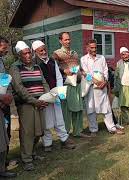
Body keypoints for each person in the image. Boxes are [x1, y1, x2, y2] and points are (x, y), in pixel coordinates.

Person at [10, 41, 49, 171]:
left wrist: (47, 96)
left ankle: (32, 153)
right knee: (28, 132)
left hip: (40, 103)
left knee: (39, 130)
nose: (28, 55)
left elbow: (44, 82)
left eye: (29, 53)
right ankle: (26, 159)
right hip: (26, 105)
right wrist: (33, 101)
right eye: (25, 53)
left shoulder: (36, 66)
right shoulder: (15, 67)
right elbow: (19, 88)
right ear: (19, 55)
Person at [32, 40, 76, 152]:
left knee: (58, 117)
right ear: (35, 52)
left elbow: (59, 77)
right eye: (40, 50)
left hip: (55, 93)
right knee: (46, 120)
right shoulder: (34, 63)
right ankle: (47, 143)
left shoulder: (52, 61)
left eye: (44, 49)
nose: (43, 52)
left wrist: (60, 91)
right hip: (44, 95)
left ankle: (64, 139)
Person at [80, 39, 124, 136]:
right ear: (87, 48)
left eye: (95, 47)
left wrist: (104, 81)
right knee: (91, 109)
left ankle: (112, 128)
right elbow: (85, 74)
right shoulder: (83, 59)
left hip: (102, 88)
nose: (94, 49)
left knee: (106, 108)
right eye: (92, 47)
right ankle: (93, 130)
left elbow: (105, 71)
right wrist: (96, 81)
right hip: (90, 88)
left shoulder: (101, 58)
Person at [52, 32, 89, 138]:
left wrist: (83, 73)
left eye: (69, 39)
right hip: (66, 85)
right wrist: (64, 70)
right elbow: (52, 67)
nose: (68, 41)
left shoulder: (75, 53)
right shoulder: (56, 53)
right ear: (60, 41)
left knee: (78, 108)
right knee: (66, 110)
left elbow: (79, 67)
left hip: (77, 83)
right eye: (65, 40)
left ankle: (78, 131)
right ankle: (66, 133)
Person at [0, 37, 17, 178]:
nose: (5, 51)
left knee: (5, 135)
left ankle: (3, 164)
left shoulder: (1, 60)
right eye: (3, 48)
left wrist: (8, 97)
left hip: (4, 105)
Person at [113, 47, 129, 125]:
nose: (125, 56)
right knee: (123, 105)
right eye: (123, 54)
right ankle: (127, 120)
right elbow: (116, 76)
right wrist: (116, 87)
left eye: (126, 54)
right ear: (121, 55)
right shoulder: (118, 63)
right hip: (122, 86)